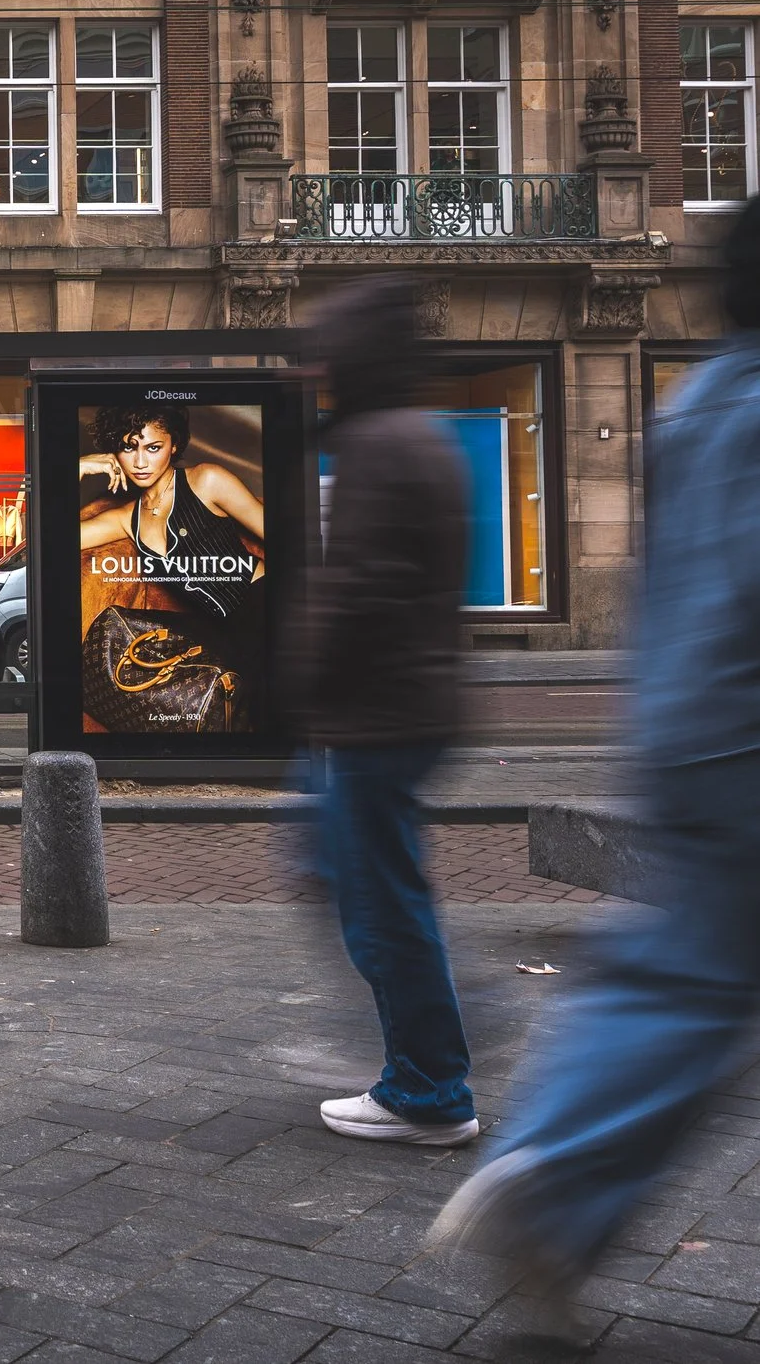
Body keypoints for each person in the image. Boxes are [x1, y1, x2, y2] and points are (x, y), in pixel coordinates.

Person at [431, 199, 760, 1311]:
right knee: (691, 972)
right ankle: (557, 1179)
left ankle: (550, 1178)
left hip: (681, 731)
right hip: (745, 733)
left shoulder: (699, 398)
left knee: (680, 971)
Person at [287, 276, 475, 1147]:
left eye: (326, 350)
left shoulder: (377, 444)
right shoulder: (422, 436)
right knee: (358, 876)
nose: (316, 366)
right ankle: (433, 1063)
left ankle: (429, 1086)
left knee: (379, 901)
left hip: (375, 711)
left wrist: (302, 678)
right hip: (407, 703)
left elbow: (358, 586)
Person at [78, 405, 269, 726]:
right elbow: (49, 536)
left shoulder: (207, 480)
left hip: (262, 603)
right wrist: (76, 467)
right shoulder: (128, 519)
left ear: (174, 445)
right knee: (127, 635)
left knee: (255, 703)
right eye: (128, 447)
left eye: (154, 448)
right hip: (217, 626)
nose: (140, 462)